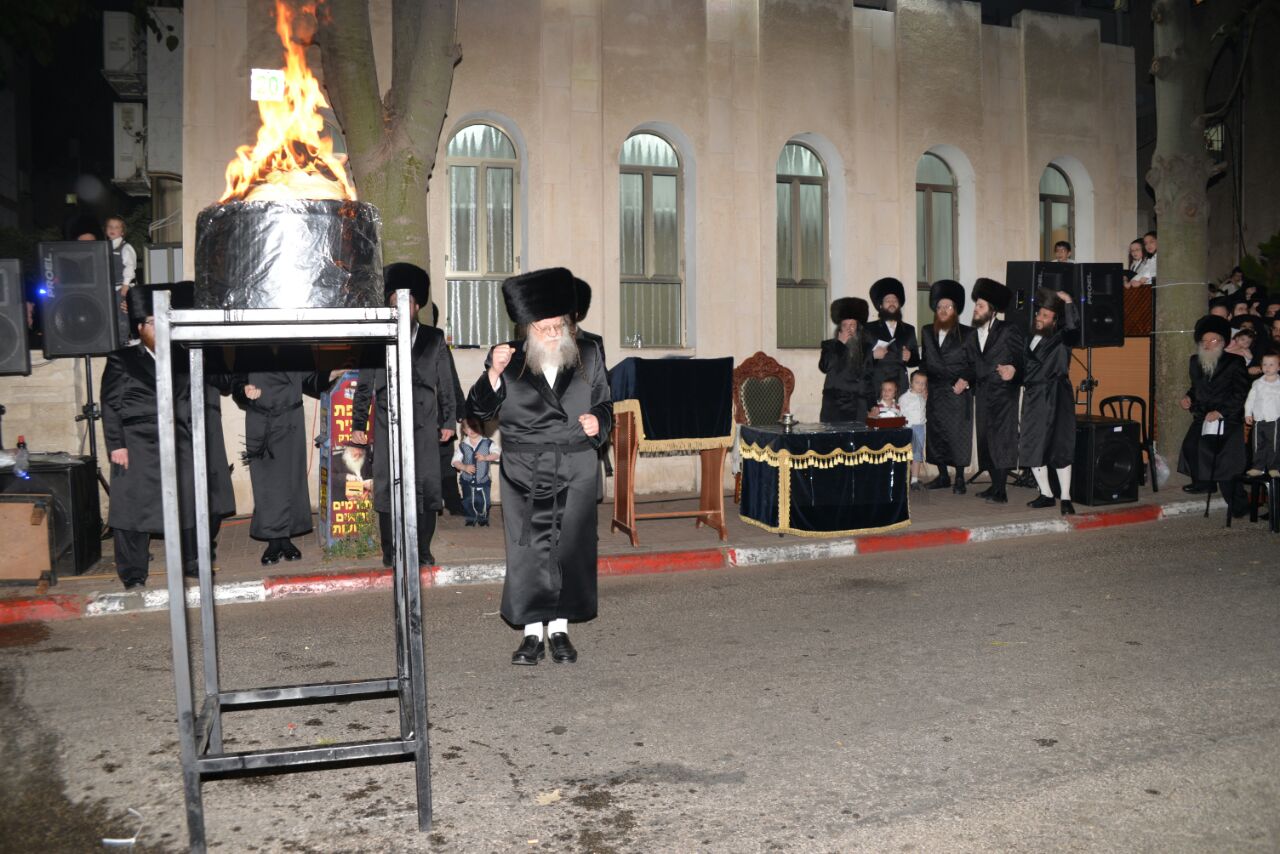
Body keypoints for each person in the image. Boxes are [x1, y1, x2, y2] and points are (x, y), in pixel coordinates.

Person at [467, 267, 613, 666]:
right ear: (528, 327)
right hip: (524, 471)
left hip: (577, 463)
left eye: (557, 326)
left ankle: (561, 630)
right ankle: (532, 634)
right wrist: (492, 374)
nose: (552, 334)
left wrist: (599, 422)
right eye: (543, 327)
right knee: (528, 551)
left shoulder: (588, 354)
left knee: (570, 547)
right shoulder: (508, 358)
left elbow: (604, 402)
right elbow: (477, 410)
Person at [101, 285, 236, 589]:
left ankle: (192, 561)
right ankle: (133, 573)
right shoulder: (122, 359)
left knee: (189, 503)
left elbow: (213, 384)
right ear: (140, 327)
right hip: (136, 443)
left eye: (164, 322)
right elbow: (110, 404)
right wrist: (116, 444)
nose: (159, 328)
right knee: (132, 511)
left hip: (180, 441)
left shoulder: (184, 354)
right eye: (152, 322)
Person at [351, 263, 458, 569]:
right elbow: (364, 385)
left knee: (426, 485)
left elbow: (446, 383)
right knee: (386, 486)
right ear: (389, 302)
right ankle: (391, 550)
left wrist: (448, 422)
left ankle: (423, 549)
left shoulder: (434, 338)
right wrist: (360, 423)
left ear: (417, 305)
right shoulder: (377, 337)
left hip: (425, 424)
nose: (401, 305)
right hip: (387, 422)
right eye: (394, 298)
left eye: (407, 300)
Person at [232, 346, 330, 565]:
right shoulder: (247, 343)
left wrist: (331, 375)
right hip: (261, 421)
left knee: (290, 480)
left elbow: (311, 381)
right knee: (265, 482)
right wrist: (244, 391)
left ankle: (285, 538)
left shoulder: (296, 342)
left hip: (290, 419)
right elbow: (236, 383)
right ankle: (273, 541)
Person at [1177, 315, 1249, 516]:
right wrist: (1188, 397)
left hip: (1226, 418)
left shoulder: (1234, 362)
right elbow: (1196, 388)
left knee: (1226, 467)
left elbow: (1241, 392)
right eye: (1204, 341)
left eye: (1213, 340)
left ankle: (1240, 506)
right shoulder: (1195, 361)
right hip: (1203, 416)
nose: (1208, 344)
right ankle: (1205, 483)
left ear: (1223, 342)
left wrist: (1221, 412)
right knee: (1191, 447)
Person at [1017, 288, 1079, 515]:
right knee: (1032, 444)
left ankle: (1065, 497)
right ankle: (1046, 494)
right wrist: (1011, 372)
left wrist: (1069, 302)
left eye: (1045, 315)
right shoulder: (1028, 338)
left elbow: (1074, 330)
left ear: (1055, 320)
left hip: (1056, 395)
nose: (1039, 318)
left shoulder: (1062, 337)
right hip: (1034, 397)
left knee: (1059, 445)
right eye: (1038, 314)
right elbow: (1025, 369)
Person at [966, 277, 1024, 504]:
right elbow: (971, 365)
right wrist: (965, 380)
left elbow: (1022, 361)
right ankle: (994, 485)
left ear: (992, 311)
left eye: (980, 306)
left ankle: (1001, 491)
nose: (975, 309)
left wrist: (1014, 370)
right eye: (976, 305)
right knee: (986, 441)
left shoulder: (1008, 330)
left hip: (1003, 395)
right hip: (982, 395)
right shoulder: (972, 335)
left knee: (1001, 441)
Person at [917, 279, 974, 494]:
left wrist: (965, 379)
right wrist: (920, 379)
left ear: (955, 310)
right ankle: (942, 476)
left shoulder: (967, 333)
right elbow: (924, 362)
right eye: (940, 307)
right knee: (936, 434)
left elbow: (974, 364)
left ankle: (959, 478)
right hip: (935, 391)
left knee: (957, 435)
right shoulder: (926, 331)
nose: (943, 311)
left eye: (948, 307)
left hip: (957, 392)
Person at [818, 297, 872, 422]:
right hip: (835, 406)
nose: (849, 329)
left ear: (858, 327)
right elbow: (825, 367)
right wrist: (840, 344)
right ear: (839, 329)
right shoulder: (829, 345)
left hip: (858, 406)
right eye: (845, 325)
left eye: (852, 325)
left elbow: (868, 377)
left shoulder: (866, 348)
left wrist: (872, 404)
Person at [866, 277, 919, 399]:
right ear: (880, 305)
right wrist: (873, 355)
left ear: (899, 305)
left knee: (899, 417)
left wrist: (910, 357)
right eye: (887, 300)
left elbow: (916, 359)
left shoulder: (909, 329)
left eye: (895, 300)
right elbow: (860, 358)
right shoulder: (869, 329)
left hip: (900, 384)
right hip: (877, 384)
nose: (891, 303)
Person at [452, 416, 501, 527]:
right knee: (468, 501)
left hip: (483, 480)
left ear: (481, 428)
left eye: (475, 427)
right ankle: (470, 518)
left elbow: (497, 454)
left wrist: (485, 457)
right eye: (469, 427)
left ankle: (483, 518)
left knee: (485, 501)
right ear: (464, 430)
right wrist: (464, 467)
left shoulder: (488, 443)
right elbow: (455, 461)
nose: (472, 430)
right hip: (467, 480)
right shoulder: (462, 446)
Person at [1245, 353, 1280, 478]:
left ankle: (1274, 467)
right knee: (1257, 443)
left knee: (1274, 444)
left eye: (1271, 364)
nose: (1267, 367)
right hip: (1259, 419)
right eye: (1264, 364)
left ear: (1278, 367)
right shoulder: (1257, 383)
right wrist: (1248, 414)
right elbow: (1250, 400)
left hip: (1274, 418)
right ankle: (1257, 467)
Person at [897, 371, 927, 490]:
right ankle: (903, 478)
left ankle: (914, 480)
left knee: (917, 454)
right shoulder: (904, 398)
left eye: (923, 383)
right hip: (909, 428)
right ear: (911, 383)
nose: (921, 386)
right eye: (917, 383)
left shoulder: (922, 396)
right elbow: (900, 414)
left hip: (920, 427)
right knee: (907, 454)